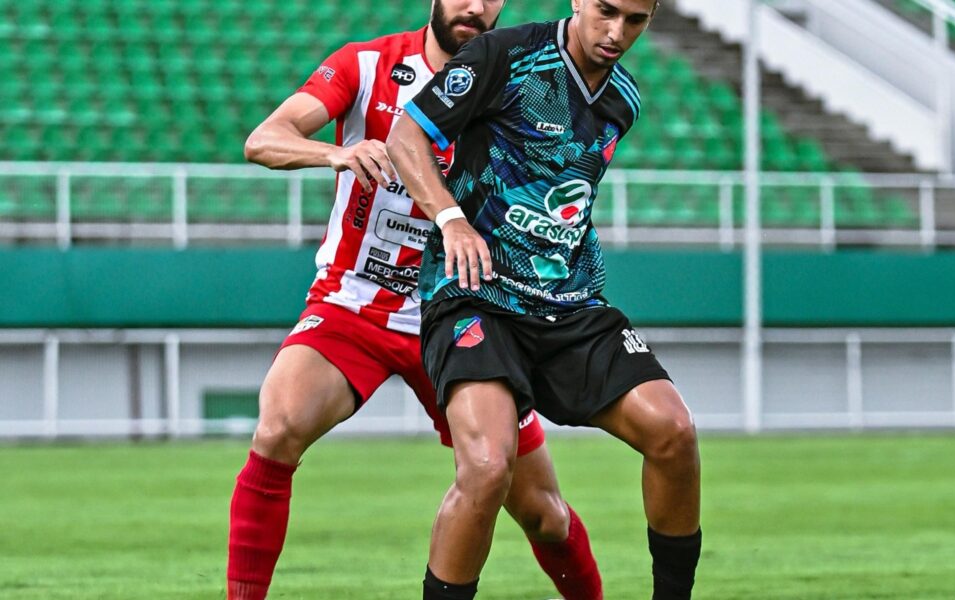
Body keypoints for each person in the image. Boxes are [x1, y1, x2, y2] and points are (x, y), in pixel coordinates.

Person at [226, 1, 604, 599]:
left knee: (544, 514)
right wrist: (335, 153)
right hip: (355, 304)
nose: (474, 6)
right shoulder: (367, 65)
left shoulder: (519, 82)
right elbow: (264, 139)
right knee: (277, 429)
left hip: (464, 314)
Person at [386, 0, 702, 598]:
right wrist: (452, 220)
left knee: (674, 433)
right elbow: (406, 137)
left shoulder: (624, 100)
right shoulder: (503, 55)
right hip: (476, 295)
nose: (617, 32)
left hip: (571, 306)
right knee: (487, 469)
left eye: (636, 20)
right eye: (606, 11)